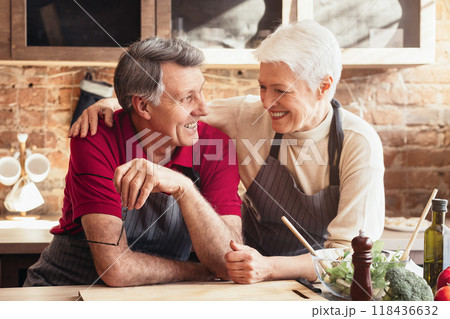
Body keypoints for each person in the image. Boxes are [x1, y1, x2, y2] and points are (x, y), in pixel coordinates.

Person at [70, 20, 385, 284]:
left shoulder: (359, 144)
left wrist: (269, 268)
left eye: (281, 91)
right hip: (246, 277)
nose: (266, 102)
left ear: (324, 86)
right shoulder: (249, 115)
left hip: (315, 282)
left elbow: (352, 256)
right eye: (263, 87)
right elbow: (178, 112)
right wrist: (114, 103)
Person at [24, 37, 242, 287]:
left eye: (201, 91)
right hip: (68, 291)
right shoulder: (95, 138)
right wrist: (201, 272)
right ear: (143, 106)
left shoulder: (217, 145)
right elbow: (116, 269)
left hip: (164, 296)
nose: (203, 109)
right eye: (187, 98)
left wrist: (185, 188)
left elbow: (229, 263)